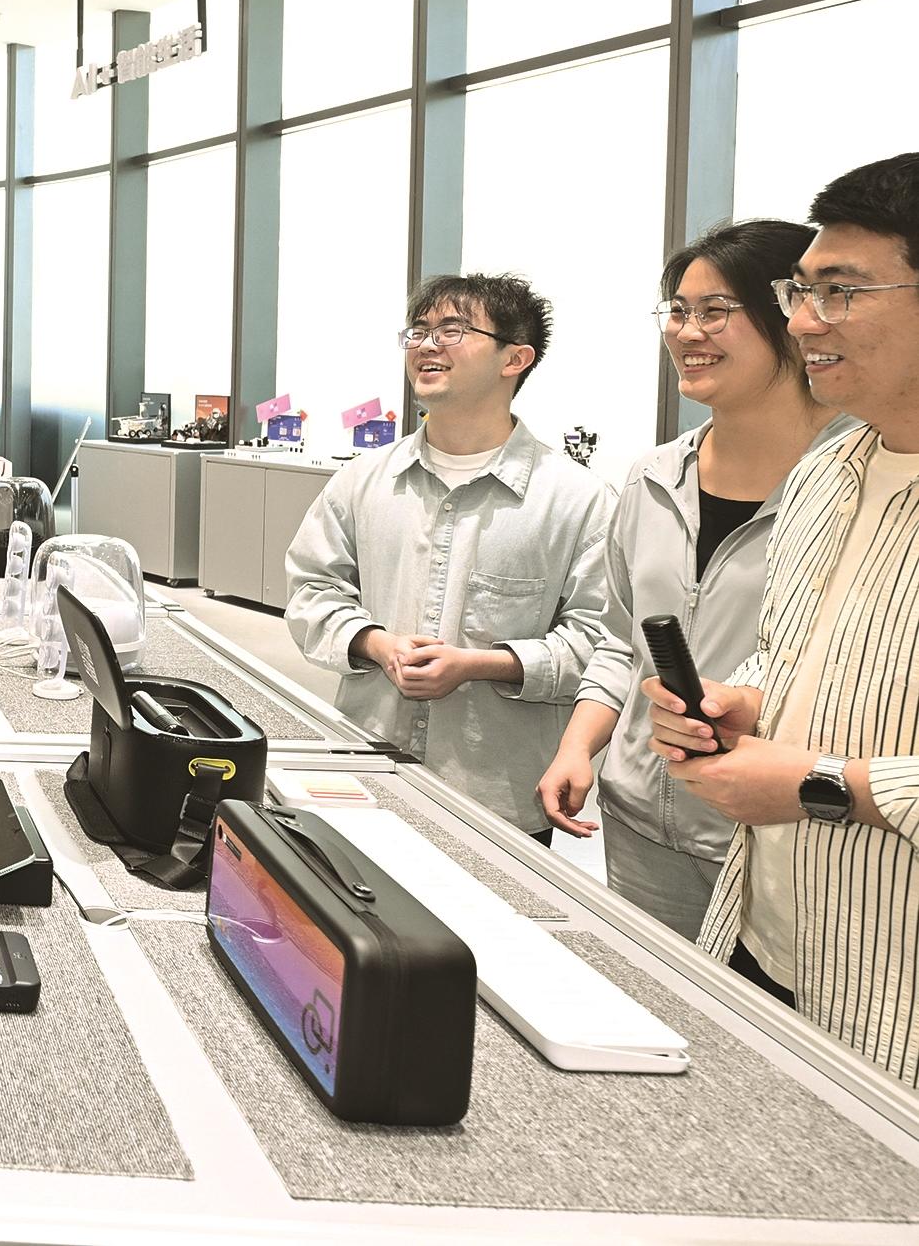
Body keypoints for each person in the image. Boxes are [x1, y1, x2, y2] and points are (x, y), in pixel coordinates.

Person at [648, 154, 919, 1087]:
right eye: (800, 292)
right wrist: (747, 701)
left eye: (839, 292)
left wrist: (820, 785)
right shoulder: (828, 475)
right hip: (763, 945)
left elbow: (820, 777)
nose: (803, 321)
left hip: (893, 1009)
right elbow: (798, 651)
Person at [536, 224, 850, 938]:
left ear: (790, 315)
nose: (687, 332)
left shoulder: (855, 484)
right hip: (641, 824)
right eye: (678, 311)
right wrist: (578, 745)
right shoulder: (653, 478)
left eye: (715, 311)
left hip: (782, 832)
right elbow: (621, 642)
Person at [284, 273, 615, 840]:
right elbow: (311, 590)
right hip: (367, 767)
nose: (427, 345)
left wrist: (482, 664)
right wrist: (377, 644)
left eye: (452, 331)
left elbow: (602, 641)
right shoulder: (363, 480)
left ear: (515, 358)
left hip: (496, 795)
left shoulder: (577, 499)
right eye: (418, 331)